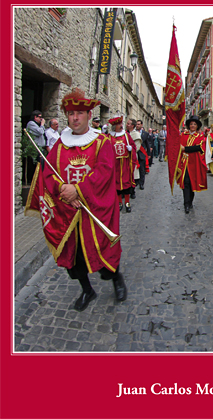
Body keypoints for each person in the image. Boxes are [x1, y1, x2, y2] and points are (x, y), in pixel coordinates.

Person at [43, 88, 127, 311]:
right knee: (75, 259)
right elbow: (48, 172)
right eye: (71, 113)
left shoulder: (102, 142)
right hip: (69, 212)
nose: (75, 118)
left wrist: (78, 190)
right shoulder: (60, 145)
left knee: (102, 252)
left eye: (80, 113)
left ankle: (116, 278)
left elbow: (103, 172)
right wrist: (62, 188)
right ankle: (87, 290)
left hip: (95, 210)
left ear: (89, 115)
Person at [176, 115, 208, 214]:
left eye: (194, 124)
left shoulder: (200, 137)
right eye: (191, 124)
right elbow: (178, 145)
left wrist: (184, 149)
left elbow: (198, 148)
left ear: (197, 126)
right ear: (188, 125)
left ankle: (190, 202)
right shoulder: (183, 135)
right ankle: (186, 204)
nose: (193, 126)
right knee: (185, 182)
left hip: (194, 164)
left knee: (191, 183)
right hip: (184, 163)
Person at [108, 116, 137, 213]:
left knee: (126, 182)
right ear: (114, 126)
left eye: (121, 124)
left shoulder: (126, 135)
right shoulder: (109, 137)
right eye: (119, 124)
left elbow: (133, 146)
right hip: (114, 164)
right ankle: (119, 202)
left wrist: (131, 149)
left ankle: (127, 202)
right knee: (116, 183)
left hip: (125, 164)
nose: (121, 126)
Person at [135, 120, 151, 190]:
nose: (137, 125)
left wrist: (149, 154)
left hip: (142, 153)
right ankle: (136, 181)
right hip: (135, 153)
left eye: (138, 124)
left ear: (141, 125)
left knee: (142, 169)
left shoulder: (145, 134)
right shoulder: (133, 133)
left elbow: (147, 144)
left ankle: (141, 183)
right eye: (136, 124)